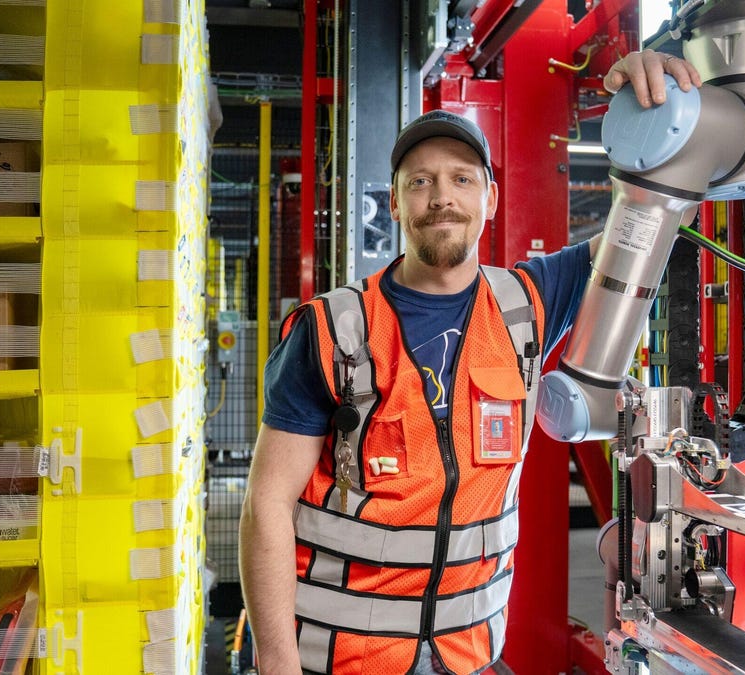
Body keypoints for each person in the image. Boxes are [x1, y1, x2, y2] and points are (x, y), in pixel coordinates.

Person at [239, 50, 702, 675]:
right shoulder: (333, 331)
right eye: (420, 182)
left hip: (471, 657)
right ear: (397, 204)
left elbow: (653, 219)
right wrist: (276, 662)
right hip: (341, 659)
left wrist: (652, 105)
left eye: (461, 179)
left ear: (488, 196)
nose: (441, 198)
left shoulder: (529, 304)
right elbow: (266, 504)